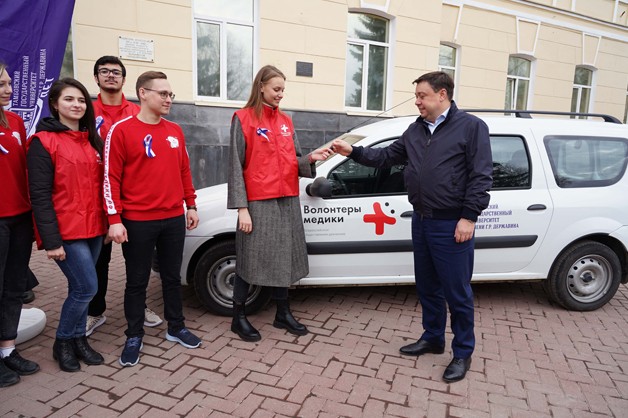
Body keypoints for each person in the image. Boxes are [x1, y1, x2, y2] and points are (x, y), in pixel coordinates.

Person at [331, 71, 492, 383]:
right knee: (427, 286)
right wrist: (353, 152)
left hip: (451, 222)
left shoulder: (471, 127)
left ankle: (462, 352)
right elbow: (386, 157)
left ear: (442, 95)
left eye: (422, 96)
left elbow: (481, 176)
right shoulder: (416, 130)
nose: (417, 101)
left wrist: (469, 217)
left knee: (457, 292)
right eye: (416, 96)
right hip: (421, 220)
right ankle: (433, 337)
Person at [227, 65, 332, 342]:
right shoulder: (243, 119)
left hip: (287, 199)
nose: (280, 94)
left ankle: (282, 313)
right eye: (276, 89)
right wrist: (242, 208)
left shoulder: (286, 121)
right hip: (258, 202)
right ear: (261, 86)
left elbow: (293, 161)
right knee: (250, 257)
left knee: (285, 255)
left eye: (283, 89)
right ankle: (238, 317)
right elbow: (235, 166)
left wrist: (310, 159)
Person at [104, 71, 202, 367]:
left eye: (171, 94)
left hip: (173, 218)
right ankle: (134, 335)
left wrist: (191, 205)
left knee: (172, 277)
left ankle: (176, 326)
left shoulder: (175, 130)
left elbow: (184, 170)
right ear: (143, 93)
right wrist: (114, 219)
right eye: (163, 94)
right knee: (137, 281)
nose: (169, 99)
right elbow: (110, 178)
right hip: (137, 221)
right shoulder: (121, 130)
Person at [27, 77, 106, 372]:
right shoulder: (43, 142)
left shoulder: (92, 141)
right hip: (66, 231)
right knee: (87, 287)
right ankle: (62, 342)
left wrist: (107, 224)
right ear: (55, 104)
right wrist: (52, 240)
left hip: (94, 228)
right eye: (69, 99)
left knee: (79, 287)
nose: (77, 105)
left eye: (82, 100)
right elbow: (39, 195)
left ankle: (78, 340)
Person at [86, 55, 162, 337]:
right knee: (99, 260)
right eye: (104, 71)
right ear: (96, 78)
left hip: (134, 200)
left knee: (137, 260)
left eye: (116, 72)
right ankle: (95, 311)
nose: (110, 76)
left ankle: (139, 306)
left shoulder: (136, 111)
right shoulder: (86, 112)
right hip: (98, 196)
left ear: (124, 79)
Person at [0, 62, 40, 387]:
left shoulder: (15, 121)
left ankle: (7, 349)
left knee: (14, 287)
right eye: (1, 84)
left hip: (20, 218)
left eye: (9, 83)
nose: (8, 89)